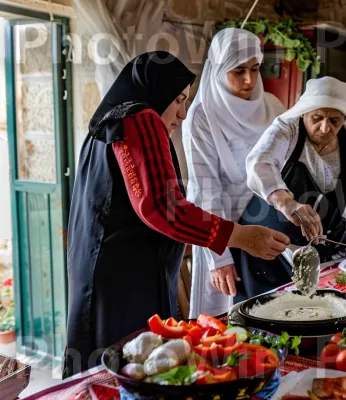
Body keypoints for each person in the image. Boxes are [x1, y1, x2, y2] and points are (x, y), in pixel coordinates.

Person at [64, 51, 289, 378]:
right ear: (157, 92)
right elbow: (162, 208)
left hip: (108, 271)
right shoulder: (141, 118)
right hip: (128, 278)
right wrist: (240, 237)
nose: (182, 114)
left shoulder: (109, 124)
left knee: (109, 366)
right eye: (178, 100)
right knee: (134, 366)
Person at [237, 76, 346, 301]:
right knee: (276, 313)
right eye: (317, 118)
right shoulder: (286, 130)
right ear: (304, 112)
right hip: (274, 246)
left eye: (334, 121)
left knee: (338, 303)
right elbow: (258, 165)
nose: (325, 127)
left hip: (327, 242)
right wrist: (288, 203)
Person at [183, 28, 285, 316]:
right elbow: (207, 191)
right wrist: (220, 257)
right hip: (222, 229)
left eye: (254, 69)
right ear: (219, 68)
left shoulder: (273, 108)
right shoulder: (202, 117)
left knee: (275, 312)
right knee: (231, 322)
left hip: (268, 228)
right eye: (238, 71)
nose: (249, 80)